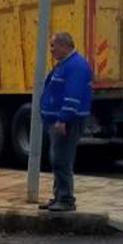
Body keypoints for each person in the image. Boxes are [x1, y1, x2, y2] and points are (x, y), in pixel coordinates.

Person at [40, 31, 92, 212]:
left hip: (67, 122)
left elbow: (73, 95)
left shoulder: (75, 66)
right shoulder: (65, 65)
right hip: (58, 120)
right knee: (57, 159)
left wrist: (63, 118)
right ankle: (59, 197)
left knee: (62, 160)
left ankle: (66, 199)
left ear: (64, 46)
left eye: (53, 46)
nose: (51, 50)